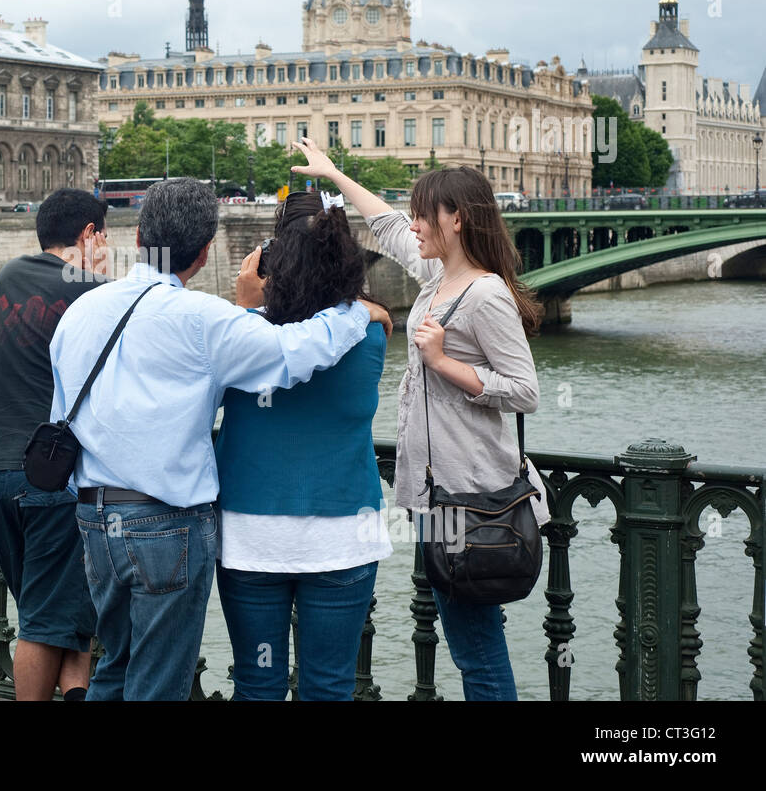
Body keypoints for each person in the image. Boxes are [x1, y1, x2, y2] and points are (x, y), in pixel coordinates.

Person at [49, 176, 393, 701]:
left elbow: (61, 415)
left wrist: (248, 306)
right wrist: (353, 309)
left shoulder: (81, 311)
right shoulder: (207, 321)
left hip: (96, 519)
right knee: (160, 680)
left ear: (139, 235)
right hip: (166, 523)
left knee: (115, 666)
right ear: (207, 249)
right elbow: (290, 355)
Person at [291, 137, 540, 701]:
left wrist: (443, 362)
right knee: (471, 641)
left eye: (426, 213)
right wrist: (333, 174)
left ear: (456, 220)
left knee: (476, 649)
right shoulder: (436, 276)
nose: (417, 222)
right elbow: (385, 223)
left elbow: (525, 390)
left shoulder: (485, 294)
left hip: (473, 496)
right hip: (437, 494)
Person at [214, 191, 391, 701]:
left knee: (256, 683)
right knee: (330, 685)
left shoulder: (241, 340)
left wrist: (247, 308)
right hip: (342, 536)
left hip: (251, 537)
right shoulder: (369, 335)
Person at [0, 188, 109, 701]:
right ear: (88, 235)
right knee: (43, 623)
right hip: (53, 476)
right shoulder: (94, 292)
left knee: (63, 618)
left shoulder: (10, 275)